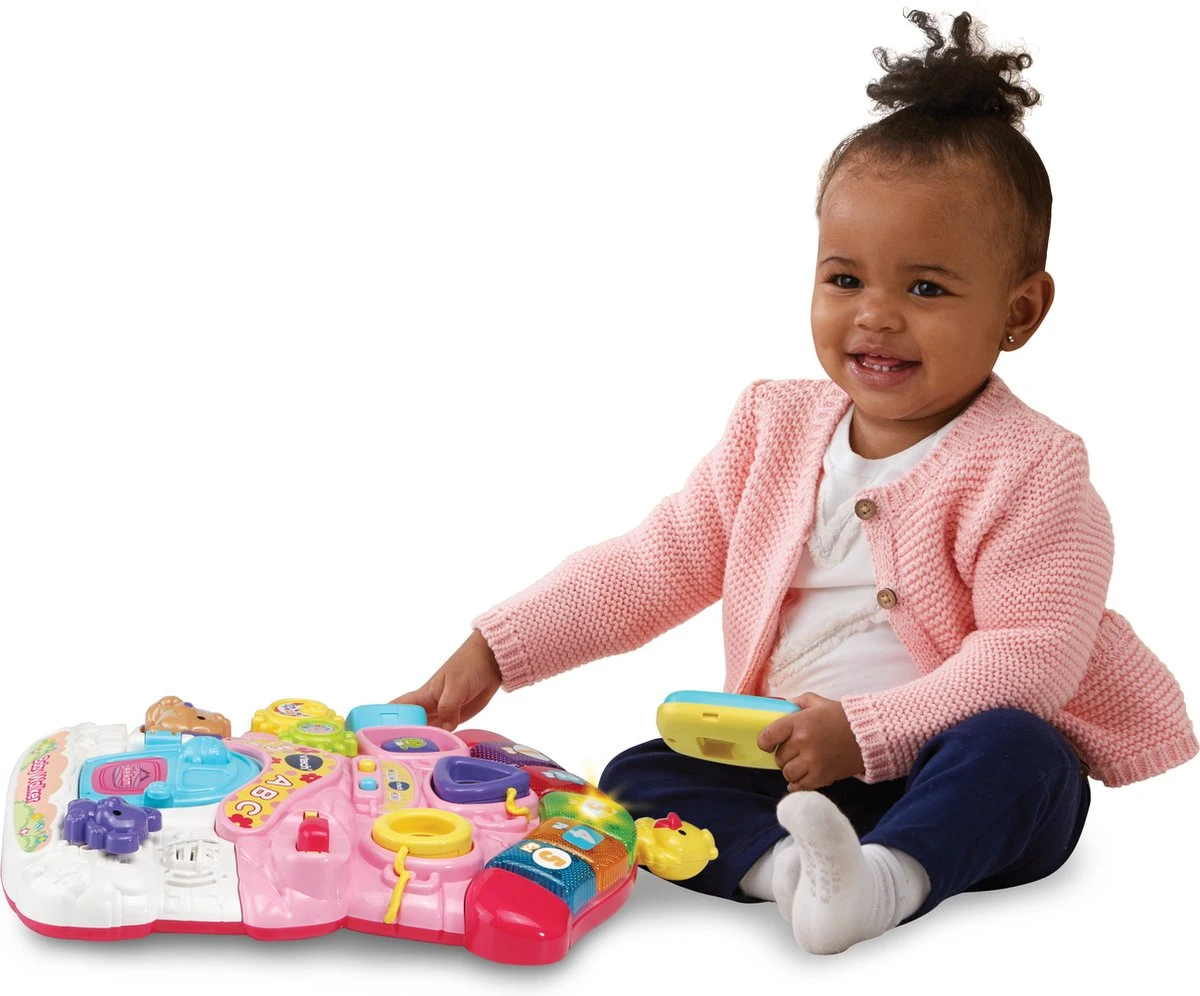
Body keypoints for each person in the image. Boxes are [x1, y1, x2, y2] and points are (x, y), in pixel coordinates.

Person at [392, 10, 1197, 954]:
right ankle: (794, 874)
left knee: (1027, 756)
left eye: (926, 289)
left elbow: (1030, 657)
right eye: (845, 279)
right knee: (634, 779)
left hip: (948, 764)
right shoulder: (772, 430)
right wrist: (496, 650)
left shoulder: (1032, 469)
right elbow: (654, 562)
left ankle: (890, 879)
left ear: (1020, 311)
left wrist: (869, 729)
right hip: (795, 763)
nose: (876, 317)